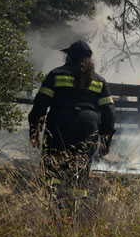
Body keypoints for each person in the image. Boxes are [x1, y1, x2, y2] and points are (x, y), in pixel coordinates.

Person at [28, 40, 115, 204]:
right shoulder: (99, 81)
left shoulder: (55, 74)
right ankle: (73, 210)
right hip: (88, 128)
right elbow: (109, 112)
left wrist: (35, 130)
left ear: (69, 57)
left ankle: (52, 206)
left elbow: (40, 104)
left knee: (52, 168)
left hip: (59, 125)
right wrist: (106, 140)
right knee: (79, 171)